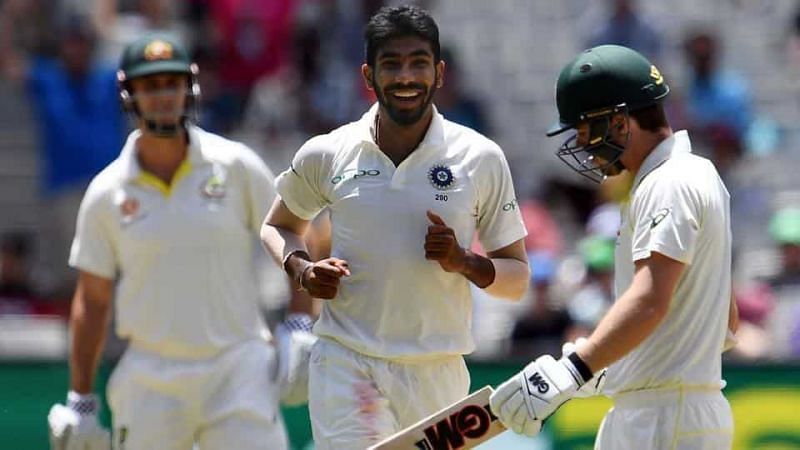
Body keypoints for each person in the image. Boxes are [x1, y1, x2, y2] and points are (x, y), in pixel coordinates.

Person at [260, 5, 529, 448]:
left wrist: (463, 261)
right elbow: (278, 226)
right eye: (391, 64)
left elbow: (516, 280)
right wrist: (302, 269)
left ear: (439, 73)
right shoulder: (329, 152)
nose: (406, 77)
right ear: (368, 76)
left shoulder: (479, 157)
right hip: (348, 363)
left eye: (418, 62)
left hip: (437, 373)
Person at [46, 33, 314, 450]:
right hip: (150, 377)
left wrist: (300, 322)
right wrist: (81, 397)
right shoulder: (106, 192)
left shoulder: (236, 165)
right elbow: (92, 300)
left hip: (238, 368)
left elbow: (294, 229)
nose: (163, 96)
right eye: (150, 86)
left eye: (172, 84)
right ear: (128, 94)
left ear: (190, 87)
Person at [489, 45, 739, 449]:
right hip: (669, 410)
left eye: (587, 129)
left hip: (663, 418)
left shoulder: (668, 182)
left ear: (621, 121)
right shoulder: (696, 173)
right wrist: (614, 363)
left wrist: (575, 369)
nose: (584, 144)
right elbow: (724, 323)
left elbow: (650, 301)